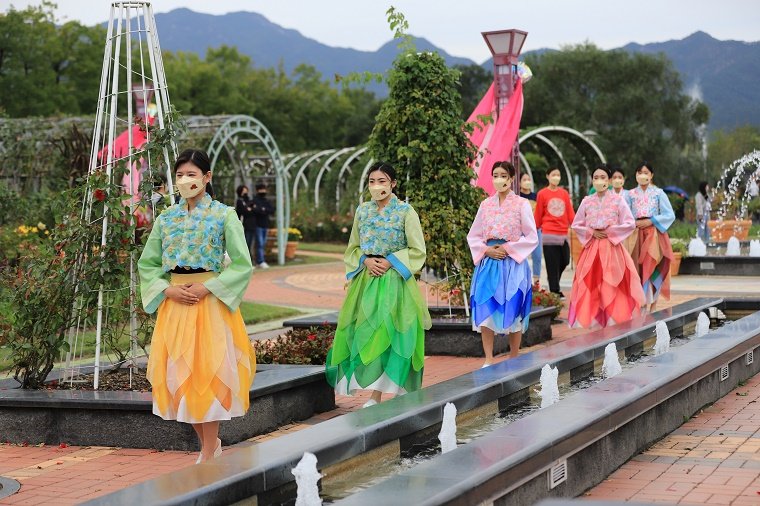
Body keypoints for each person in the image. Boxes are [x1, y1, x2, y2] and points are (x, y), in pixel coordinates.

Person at [137, 148, 254, 464]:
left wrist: (208, 287)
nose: (185, 180)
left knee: (207, 375)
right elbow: (147, 264)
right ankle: (211, 444)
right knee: (182, 378)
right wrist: (166, 290)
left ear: (207, 177)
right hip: (176, 306)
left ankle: (207, 453)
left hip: (210, 305)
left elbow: (242, 264)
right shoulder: (166, 218)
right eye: (180, 175)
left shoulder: (224, 215)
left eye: (191, 174)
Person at [325, 161, 431, 408]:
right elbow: (353, 247)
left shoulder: (406, 211)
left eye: (382, 181)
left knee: (395, 334)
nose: (376, 186)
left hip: (395, 282)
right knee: (368, 333)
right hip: (368, 281)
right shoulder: (362, 211)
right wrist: (365, 260)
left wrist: (392, 262)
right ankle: (374, 394)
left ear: (393, 183)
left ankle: (400, 387)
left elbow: (417, 250)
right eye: (372, 182)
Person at [468, 162, 538, 366]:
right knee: (485, 305)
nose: (499, 179)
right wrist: (486, 250)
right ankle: (488, 358)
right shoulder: (485, 205)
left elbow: (531, 236)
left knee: (514, 307)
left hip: (513, 265)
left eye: (504, 175)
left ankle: (514, 356)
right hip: (489, 262)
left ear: (511, 179)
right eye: (495, 175)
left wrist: (508, 249)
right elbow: (474, 235)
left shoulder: (522, 204)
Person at [567, 165, 644, 328]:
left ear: (609, 181)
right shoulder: (587, 201)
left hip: (612, 249)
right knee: (593, 284)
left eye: (603, 177)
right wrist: (591, 232)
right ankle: (596, 321)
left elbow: (630, 223)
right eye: (596, 178)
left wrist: (610, 232)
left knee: (611, 284)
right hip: (592, 250)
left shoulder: (618, 200)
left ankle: (613, 320)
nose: (599, 181)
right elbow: (576, 224)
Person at [625, 162, 675, 313]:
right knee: (637, 269)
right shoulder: (630, 194)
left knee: (652, 265)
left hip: (654, 235)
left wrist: (651, 220)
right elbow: (625, 215)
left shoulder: (659, 193)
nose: (642, 175)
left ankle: (652, 304)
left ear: (651, 175)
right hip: (635, 235)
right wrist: (633, 223)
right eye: (639, 172)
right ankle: (641, 302)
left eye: (646, 172)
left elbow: (669, 214)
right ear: (635, 175)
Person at [534, 167, 575, 297]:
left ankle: (554, 280)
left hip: (563, 233)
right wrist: (535, 228)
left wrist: (575, 224)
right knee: (552, 263)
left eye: (558, 175)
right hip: (548, 233)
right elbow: (538, 212)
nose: (556, 177)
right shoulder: (542, 194)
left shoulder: (564, 193)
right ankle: (555, 290)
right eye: (553, 175)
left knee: (565, 260)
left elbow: (569, 211)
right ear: (548, 176)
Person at [519, 172, 542, 290]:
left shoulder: (536, 196)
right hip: (521, 231)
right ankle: (524, 281)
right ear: (519, 182)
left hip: (536, 229)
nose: (527, 181)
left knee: (537, 256)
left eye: (529, 179)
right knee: (522, 256)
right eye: (524, 179)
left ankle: (536, 282)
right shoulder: (518, 197)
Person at [250, 183, 274, 269]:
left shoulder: (266, 201)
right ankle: (260, 261)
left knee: (263, 244)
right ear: (257, 190)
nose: (263, 191)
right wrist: (263, 210)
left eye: (264, 189)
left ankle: (260, 261)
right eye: (261, 189)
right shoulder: (255, 200)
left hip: (265, 225)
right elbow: (255, 210)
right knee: (259, 243)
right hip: (258, 225)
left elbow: (271, 210)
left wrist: (261, 209)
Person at [235, 185, 257, 262]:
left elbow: (254, 208)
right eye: (244, 191)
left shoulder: (249, 200)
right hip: (245, 225)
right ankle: (245, 261)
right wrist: (249, 209)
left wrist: (250, 208)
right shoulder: (240, 201)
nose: (245, 192)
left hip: (252, 225)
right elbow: (243, 211)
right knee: (246, 244)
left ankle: (250, 260)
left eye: (246, 190)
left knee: (250, 243)